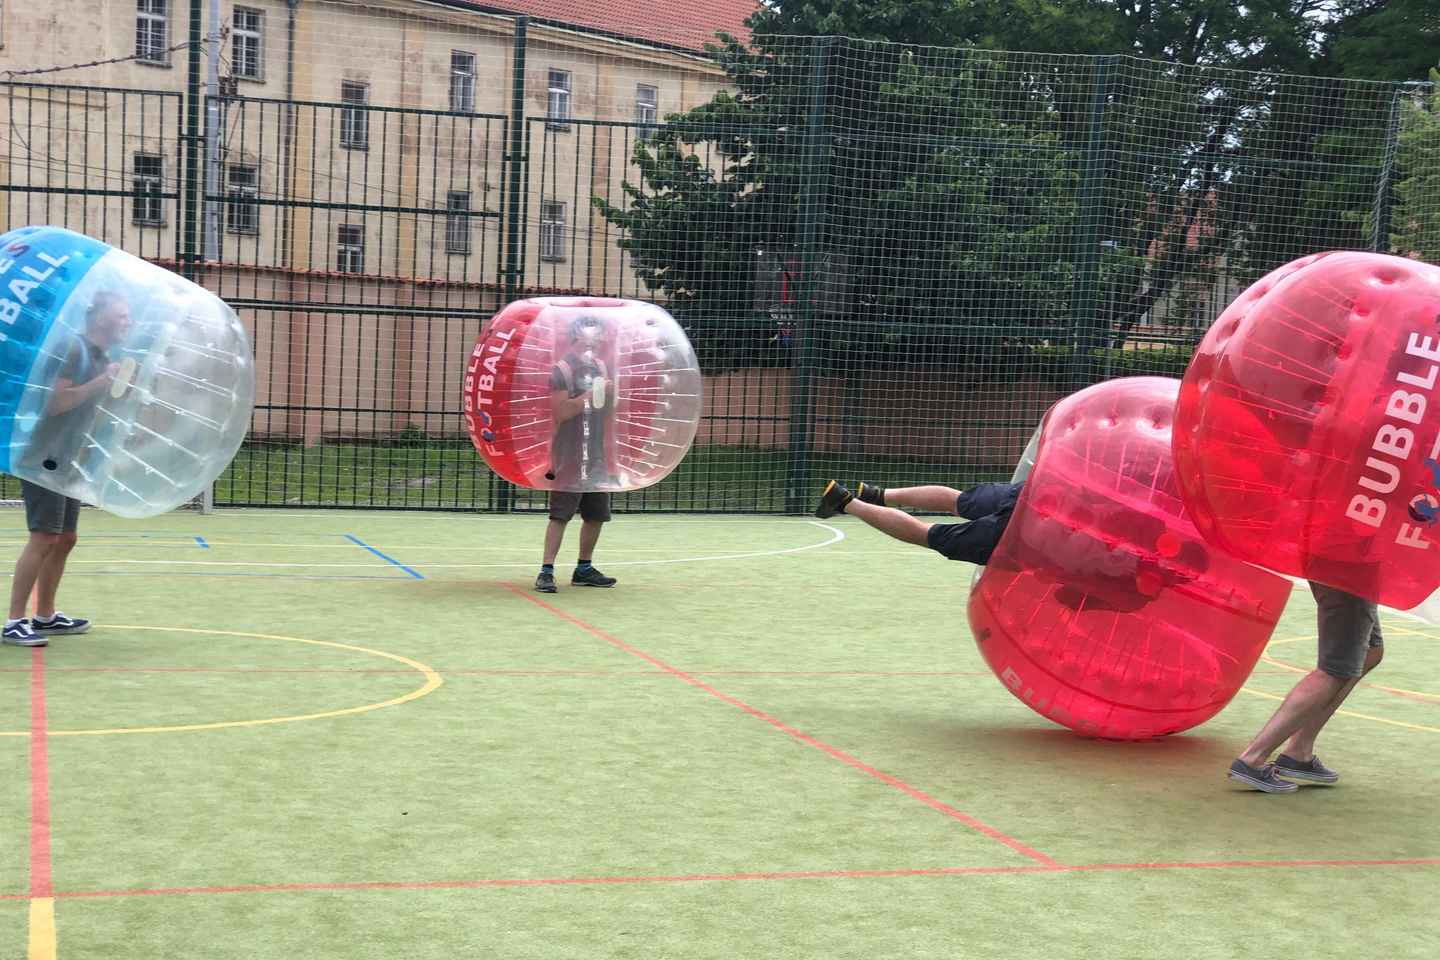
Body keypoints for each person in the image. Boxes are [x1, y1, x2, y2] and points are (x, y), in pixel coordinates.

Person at [3, 290, 131, 647]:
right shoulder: (72, 349)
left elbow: (90, 405)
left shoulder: (101, 356)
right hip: (46, 455)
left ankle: (45, 616)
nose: (128, 322)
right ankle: (14, 621)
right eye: (123, 315)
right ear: (101, 315)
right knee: (44, 536)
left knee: (66, 537)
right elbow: (56, 403)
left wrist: (117, 389)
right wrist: (102, 383)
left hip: (69, 456)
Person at [1226, 583, 1383, 794]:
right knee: (1335, 669)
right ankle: (1252, 760)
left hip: (1352, 567)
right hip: (1350, 569)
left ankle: (1298, 752)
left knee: (1370, 652)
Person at [535, 314, 618, 594]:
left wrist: (609, 394)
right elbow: (560, 413)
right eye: (591, 334)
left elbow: (605, 410)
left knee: (596, 514)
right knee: (560, 514)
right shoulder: (562, 370)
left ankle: (584, 568)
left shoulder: (601, 367)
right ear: (576, 336)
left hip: (594, 451)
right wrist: (590, 394)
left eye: (600, 335)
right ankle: (546, 571)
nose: (597, 340)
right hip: (568, 451)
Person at [814, 479, 1021, 566]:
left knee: (959, 501)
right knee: (929, 535)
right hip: (1032, 527)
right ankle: (845, 502)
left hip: (1035, 490)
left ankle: (876, 495)